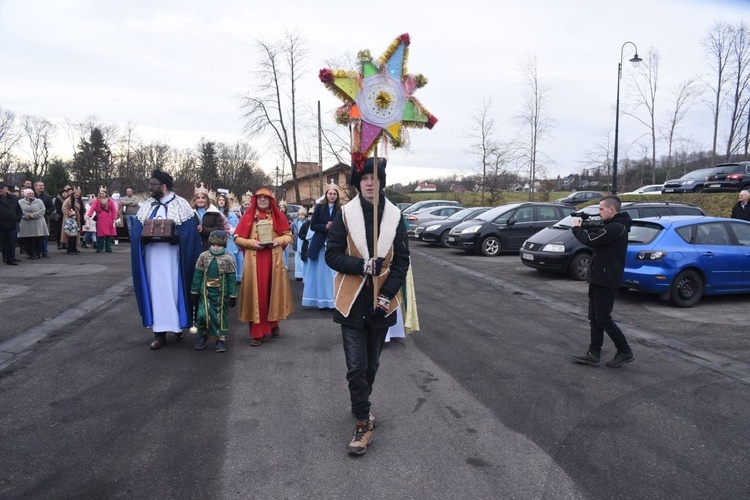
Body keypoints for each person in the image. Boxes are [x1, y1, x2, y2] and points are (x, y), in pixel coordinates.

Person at [325, 157, 410, 456]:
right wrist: (362, 265)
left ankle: (361, 402)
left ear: (382, 181)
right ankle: (363, 422)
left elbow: (402, 261)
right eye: (364, 178)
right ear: (358, 183)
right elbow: (332, 255)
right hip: (351, 300)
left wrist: (386, 295)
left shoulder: (395, 216)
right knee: (356, 367)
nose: (370, 182)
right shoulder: (346, 215)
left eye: (375, 177)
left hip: (382, 303)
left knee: (371, 366)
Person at [131, 170, 202, 350]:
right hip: (152, 260)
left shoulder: (181, 205)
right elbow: (136, 232)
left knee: (174, 291)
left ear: (163, 186)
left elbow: (190, 235)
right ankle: (159, 334)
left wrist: (177, 238)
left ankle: (177, 327)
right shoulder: (147, 205)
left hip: (173, 260)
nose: (149, 187)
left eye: (152, 184)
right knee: (156, 292)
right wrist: (142, 239)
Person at [571, 195, 635, 368]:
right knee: (594, 318)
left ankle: (625, 351)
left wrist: (577, 229)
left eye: (600, 209)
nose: (599, 213)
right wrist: (586, 225)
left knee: (604, 319)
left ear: (611, 210)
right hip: (599, 278)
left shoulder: (616, 227)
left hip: (607, 280)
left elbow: (592, 240)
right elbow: (598, 235)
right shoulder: (610, 226)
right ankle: (594, 353)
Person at [233, 187, 294, 347]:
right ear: (255, 200)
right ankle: (257, 332)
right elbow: (237, 238)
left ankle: (273, 323)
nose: (262, 200)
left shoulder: (278, 216)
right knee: (256, 294)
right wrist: (252, 243)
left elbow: (289, 235)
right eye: (259, 198)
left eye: (265, 198)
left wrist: (277, 241)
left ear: (270, 200)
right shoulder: (247, 217)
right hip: (254, 262)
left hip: (272, 261)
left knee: (271, 293)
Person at [190, 230, 237, 352]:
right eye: (214, 244)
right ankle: (203, 335)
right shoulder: (203, 256)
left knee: (219, 317)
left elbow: (231, 278)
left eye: (219, 245)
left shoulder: (228, 258)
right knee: (202, 315)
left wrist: (233, 295)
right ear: (210, 244)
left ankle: (220, 340)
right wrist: (194, 291)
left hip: (221, 294)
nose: (216, 248)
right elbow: (197, 275)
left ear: (224, 245)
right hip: (205, 293)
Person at [302, 185, 341, 309]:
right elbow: (313, 226)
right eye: (330, 193)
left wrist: (333, 227)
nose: (332, 196)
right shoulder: (319, 207)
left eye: (334, 194)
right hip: (319, 244)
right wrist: (325, 227)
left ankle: (332, 301)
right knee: (320, 274)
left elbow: (343, 227)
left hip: (333, 244)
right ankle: (319, 300)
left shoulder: (340, 209)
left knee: (332, 274)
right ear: (326, 195)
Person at [192, 183, 231, 251]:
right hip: (194, 246)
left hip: (210, 248)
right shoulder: (190, 212)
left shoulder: (215, 213)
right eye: (198, 198)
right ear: (195, 199)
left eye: (203, 198)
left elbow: (219, 229)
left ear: (207, 199)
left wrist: (203, 230)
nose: (200, 200)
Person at [19, 188, 49, 260]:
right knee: (28, 240)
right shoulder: (20, 202)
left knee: (38, 239)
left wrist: (34, 215)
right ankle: (30, 253)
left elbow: (43, 210)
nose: (31, 195)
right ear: (25, 195)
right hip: (26, 223)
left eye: (32, 193)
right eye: (29, 194)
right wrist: (27, 215)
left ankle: (37, 254)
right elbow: (20, 211)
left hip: (38, 222)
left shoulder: (39, 201)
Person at [87, 188, 118, 253]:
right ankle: (99, 248)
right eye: (100, 194)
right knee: (100, 234)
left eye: (103, 193)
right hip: (101, 219)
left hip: (109, 219)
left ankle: (108, 248)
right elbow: (93, 208)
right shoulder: (97, 201)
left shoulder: (110, 201)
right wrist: (89, 215)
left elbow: (113, 210)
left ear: (106, 194)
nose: (102, 195)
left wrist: (115, 218)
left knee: (109, 235)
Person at [0, 182, 22, 265]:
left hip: (12, 224)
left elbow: (19, 211)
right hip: (1, 225)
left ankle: (11, 258)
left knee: (12, 241)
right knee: (3, 242)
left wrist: (17, 219)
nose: (1, 190)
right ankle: (5, 257)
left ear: (6, 189)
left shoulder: (13, 199)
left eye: (2, 188)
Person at [61, 188, 85, 255]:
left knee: (75, 235)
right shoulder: (68, 200)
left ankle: (74, 248)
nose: (77, 196)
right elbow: (64, 208)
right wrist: (70, 214)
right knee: (70, 235)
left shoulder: (80, 201)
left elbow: (83, 209)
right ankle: (70, 248)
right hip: (70, 219)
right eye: (76, 195)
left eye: (78, 195)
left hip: (77, 218)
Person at [33, 181, 54, 258]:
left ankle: (44, 251)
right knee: (34, 235)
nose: (42, 187)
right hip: (33, 219)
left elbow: (52, 207)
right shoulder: (31, 195)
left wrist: (46, 213)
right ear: (35, 187)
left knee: (44, 235)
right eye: (40, 185)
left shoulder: (47, 197)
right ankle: (34, 251)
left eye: (43, 185)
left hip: (43, 218)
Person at [291, 208, 308, 281]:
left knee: (304, 258)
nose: (301, 216)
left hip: (304, 241)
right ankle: (298, 274)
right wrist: (292, 239)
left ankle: (304, 273)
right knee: (298, 259)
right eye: (299, 215)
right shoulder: (294, 223)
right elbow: (291, 230)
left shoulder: (306, 223)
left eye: (302, 215)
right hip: (297, 241)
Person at [279, 202, 290, 268]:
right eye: (281, 208)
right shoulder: (278, 215)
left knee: (286, 251)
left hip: (286, 234)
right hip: (280, 235)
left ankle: (286, 265)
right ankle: (283, 265)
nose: (282, 209)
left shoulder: (288, 216)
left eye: (283, 207)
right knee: (281, 251)